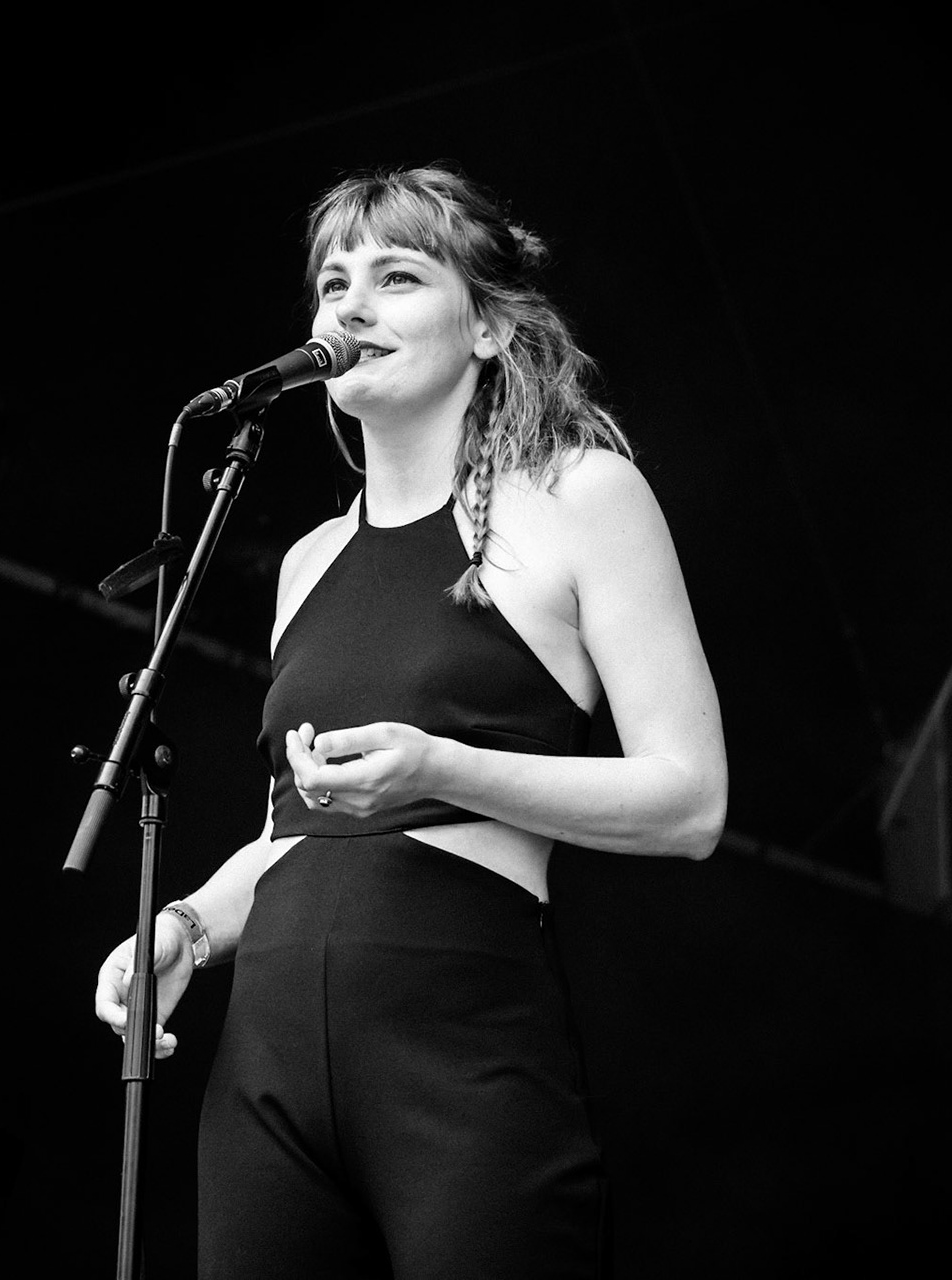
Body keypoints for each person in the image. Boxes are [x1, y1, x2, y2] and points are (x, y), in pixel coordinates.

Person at [93, 164, 727, 1279]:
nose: (350, 305)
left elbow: (690, 798)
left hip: (458, 1044)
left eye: (395, 276)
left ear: (485, 325)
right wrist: (187, 925)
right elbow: (295, 825)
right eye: (334, 283)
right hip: (267, 1058)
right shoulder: (307, 561)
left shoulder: (582, 495)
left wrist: (443, 764)